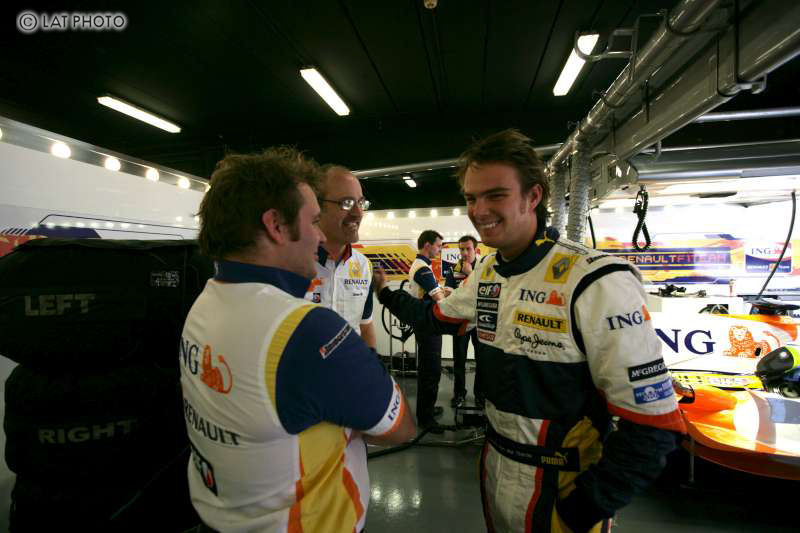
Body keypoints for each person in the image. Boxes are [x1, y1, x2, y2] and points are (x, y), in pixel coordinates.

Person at [374, 129, 685, 532]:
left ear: (533, 196)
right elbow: (433, 318)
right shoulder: (487, 271)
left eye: (495, 195)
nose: (479, 210)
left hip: (563, 483)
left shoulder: (597, 280)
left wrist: (581, 509)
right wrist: (385, 293)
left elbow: (654, 426)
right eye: (471, 198)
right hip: (494, 468)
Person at [180, 148, 415, 533]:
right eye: (313, 221)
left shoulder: (205, 302)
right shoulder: (304, 329)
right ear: (276, 224)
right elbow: (401, 426)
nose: (319, 235)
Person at [305, 165, 376, 349]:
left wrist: (373, 364)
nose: (358, 213)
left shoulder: (363, 266)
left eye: (360, 202)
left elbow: (365, 325)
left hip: (350, 365)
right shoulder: (295, 263)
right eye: (347, 203)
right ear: (318, 207)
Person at [407, 229, 446, 431]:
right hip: (427, 325)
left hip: (427, 324)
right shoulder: (422, 268)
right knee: (430, 371)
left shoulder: (423, 266)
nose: (439, 250)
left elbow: (436, 292)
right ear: (427, 245)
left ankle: (427, 409)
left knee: (430, 368)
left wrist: (443, 291)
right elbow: (439, 298)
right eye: (438, 246)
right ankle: (425, 418)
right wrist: (448, 295)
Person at [444, 235, 483, 409]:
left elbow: (486, 292)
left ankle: (480, 395)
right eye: (461, 249)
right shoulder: (453, 270)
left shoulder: (483, 268)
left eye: (468, 249)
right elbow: (448, 295)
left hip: (480, 323)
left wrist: (470, 274)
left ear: (476, 250)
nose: (464, 252)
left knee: (482, 360)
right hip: (460, 322)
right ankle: (459, 394)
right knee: (459, 360)